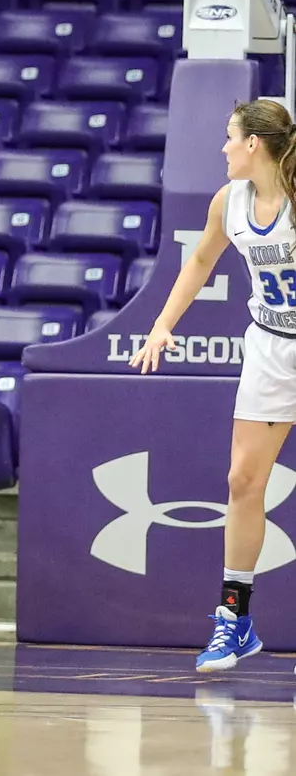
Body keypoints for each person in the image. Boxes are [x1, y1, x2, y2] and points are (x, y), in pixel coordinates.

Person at [130, 99, 296, 673]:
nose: (223, 147)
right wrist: (161, 326)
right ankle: (235, 618)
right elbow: (199, 262)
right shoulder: (231, 202)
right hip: (272, 345)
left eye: (230, 137)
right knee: (243, 480)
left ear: (254, 144)